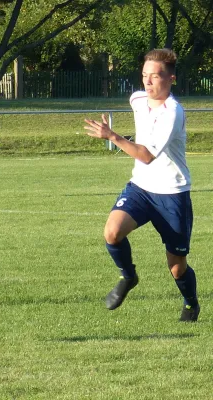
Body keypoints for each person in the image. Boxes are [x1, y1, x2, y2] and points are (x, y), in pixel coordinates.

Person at [83, 48, 199, 322]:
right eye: (144, 75)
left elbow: (146, 155)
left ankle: (191, 303)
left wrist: (113, 136)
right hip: (141, 189)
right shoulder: (137, 99)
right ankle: (128, 276)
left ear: (172, 79)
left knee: (176, 268)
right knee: (112, 232)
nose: (147, 82)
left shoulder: (173, 113)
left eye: (155, 76)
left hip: (172, 194)